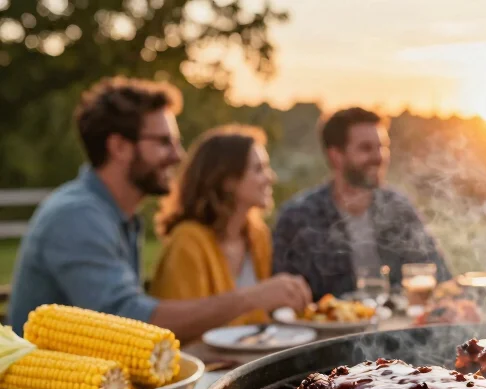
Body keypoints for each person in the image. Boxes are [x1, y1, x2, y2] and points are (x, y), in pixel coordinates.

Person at [7, 77, 311, 341]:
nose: (178, 156)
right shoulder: (76, 216)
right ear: (119, 147)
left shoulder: (119, 216)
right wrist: (252, 297)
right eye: (164, 142)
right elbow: (132, 322)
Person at [272, 107, 451, 300]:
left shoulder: (398, 208)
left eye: (382, 146)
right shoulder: (298, 218)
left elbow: (440, 275)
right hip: (332, 329)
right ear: (336, 156)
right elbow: (283, 299)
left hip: (396, 328)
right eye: (366, 148)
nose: (379, 156)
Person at [149, 124, 294, 326]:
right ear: (228, 180)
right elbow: (175, 330)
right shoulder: (187, 241)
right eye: (259, 169)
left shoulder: (257, 236)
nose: (270, 177)